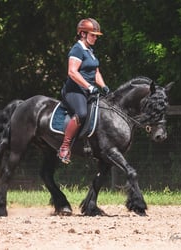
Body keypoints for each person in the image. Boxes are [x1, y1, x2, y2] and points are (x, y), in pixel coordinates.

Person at [58, 18, 110, 164]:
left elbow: (96, 73)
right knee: (81, 113)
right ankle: (65, 146)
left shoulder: (90, 51)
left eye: (96, 35)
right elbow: (72, 72)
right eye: (92, 35)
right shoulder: (77, 49)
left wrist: (104, 86)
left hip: (88, 91)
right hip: (74, 91)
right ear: (82, 34)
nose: (95, 38)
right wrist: (89, 86)